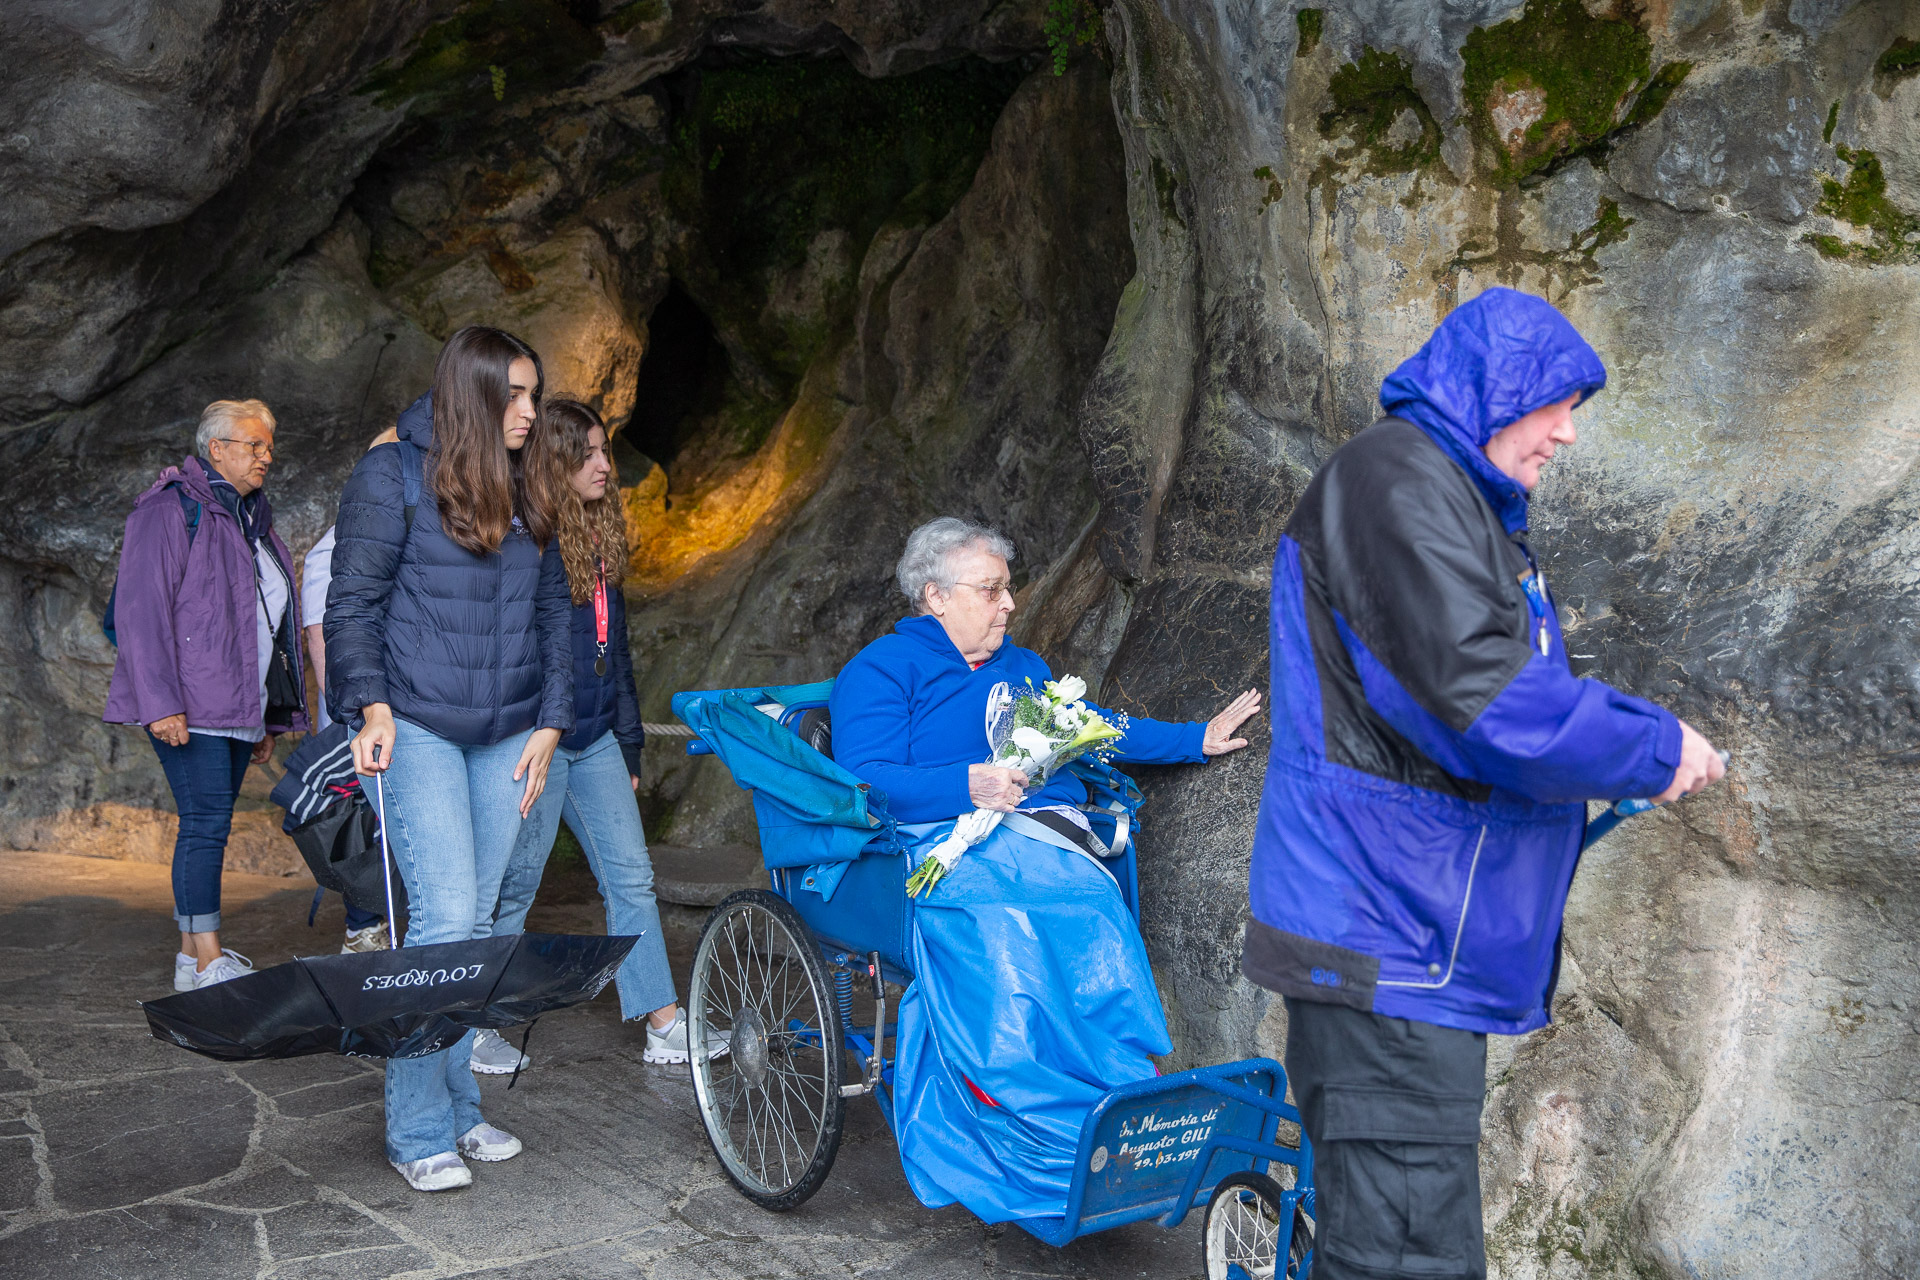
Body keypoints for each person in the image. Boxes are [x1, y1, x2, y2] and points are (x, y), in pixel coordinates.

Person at [1243, 287, 1727, 1280]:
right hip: (1384, 940)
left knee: (1400, 1246)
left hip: (1406, 943)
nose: (1568, 433)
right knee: (1405, 1258)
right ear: (1497, 392)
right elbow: (1492, 700)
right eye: (1557, 404)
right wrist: (1654, 743)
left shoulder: (1445, 498)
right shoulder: (1396, 484)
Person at [827, 516, 1263, 1225]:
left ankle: (1124, 1100)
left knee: (1092, 901)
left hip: (1035, 838)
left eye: (1008, 589)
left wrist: (1195, 739)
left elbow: (1092, 726)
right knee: (1004, 928)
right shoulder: (882, 669)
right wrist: (967, 784)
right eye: (991, 590)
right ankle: (1035, 1131)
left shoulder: (1022, 667)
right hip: (941, 844)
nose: (1008, 604)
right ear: (936, 596)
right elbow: (863, 777)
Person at [326, 325, 573, 1193]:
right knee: (447, 918)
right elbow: (351, 605)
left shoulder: (530, 478)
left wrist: (552, 722)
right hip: (416, 725)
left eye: (534, 393)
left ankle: (463, 1108)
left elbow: (556, 613)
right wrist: (372, 705)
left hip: (509, 732)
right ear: (472, 394)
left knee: (481, 929)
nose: (531, 411)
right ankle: (418, 1128)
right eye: (516, 395)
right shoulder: (389, 475)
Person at [482, 399, 720, 1075]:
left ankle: (663, 1022)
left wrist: (630, 742)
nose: (603, 466)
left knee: (632, 878)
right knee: (515, 888)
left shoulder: (598, 537)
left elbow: (615, 656)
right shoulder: (526, 540)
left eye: (604, 451)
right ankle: (473, 1024)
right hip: (538, 742)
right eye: (585, 454)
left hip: (596, 741)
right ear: (553, 462)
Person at [104, 398, 309, 991]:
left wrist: (267, 718)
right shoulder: (168, 510)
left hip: (237, 706)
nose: (266, 456)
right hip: (190, 705)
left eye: (270, 446)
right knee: (205, 825)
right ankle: (207, 960)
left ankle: (191, 959)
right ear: (216, 449)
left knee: (208, 824)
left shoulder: (254, 520)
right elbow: (139, 613)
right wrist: (161, 703)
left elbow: (268, 626)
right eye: (254, 445)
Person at [301, 427, 398, 953]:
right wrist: (362, 716)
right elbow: (326, 654)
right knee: (367, 832)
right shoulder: (334, 547)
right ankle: (364, 932)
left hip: (398, 713)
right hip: (363, 720)